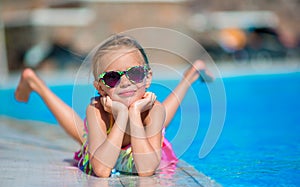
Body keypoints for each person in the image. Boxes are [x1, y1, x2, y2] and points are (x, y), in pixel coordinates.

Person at [15, 34, 214, 178]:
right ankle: (36, 84)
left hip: (145, 126)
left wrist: (135, 114)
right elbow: (101, 170)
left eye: (135, 73)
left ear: (147, 78)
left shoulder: (153, 109)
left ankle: (192, 74)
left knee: (161, 114)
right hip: (109, 138)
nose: (125, 82)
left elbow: (147, 170)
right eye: (112, 77)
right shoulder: (97, 110)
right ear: (100, 88)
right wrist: (120, 116)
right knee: (82, 135)